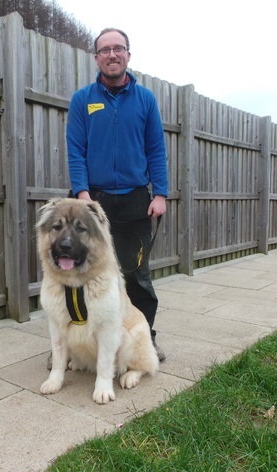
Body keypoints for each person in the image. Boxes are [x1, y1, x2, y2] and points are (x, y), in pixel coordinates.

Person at [66, 27, 168, 361]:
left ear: (128, 54)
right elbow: (75, 150)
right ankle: (74, 347)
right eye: (105, 49)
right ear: (96, 57)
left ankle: (142, 340)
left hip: (135, 201)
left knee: (135, 276)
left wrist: (160, 193)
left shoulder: (145, 100)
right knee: (78, 274)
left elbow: (156, 150)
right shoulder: (83, 100)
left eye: (118, 48)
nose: (112, 54)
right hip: (91, 200)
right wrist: (81, 192)